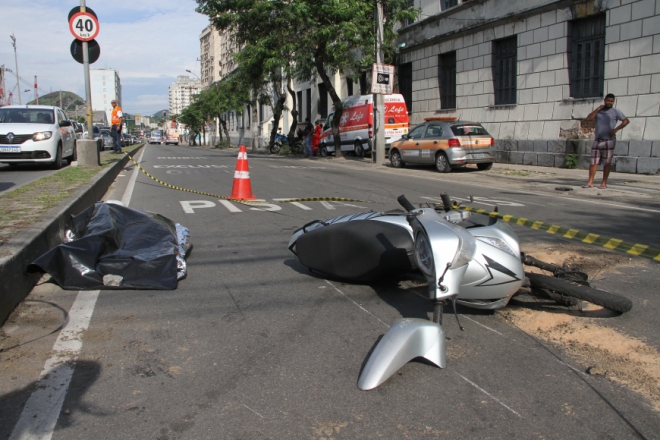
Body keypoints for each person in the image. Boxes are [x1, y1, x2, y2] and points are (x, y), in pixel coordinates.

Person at [583, 93, 629, 189]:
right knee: (593, 162)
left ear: (613, 102)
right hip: (597, 140)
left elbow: (626, 121)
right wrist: (598, 109)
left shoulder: (616, 111)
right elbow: (589, 118)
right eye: (608, 101)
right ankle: (590, 182)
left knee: (607, 162)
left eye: (611, 101)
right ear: (605, 100)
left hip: (609, 140)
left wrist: (615, 130)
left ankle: (604, 183)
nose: (609, 103)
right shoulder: (599, 111)